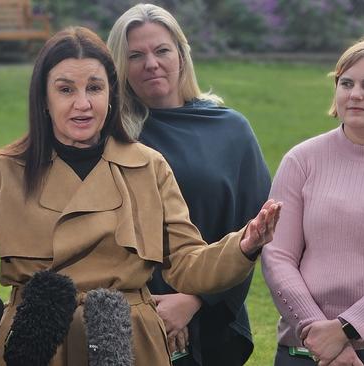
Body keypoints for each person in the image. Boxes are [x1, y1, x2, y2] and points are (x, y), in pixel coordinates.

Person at [0, 26, 281, 366]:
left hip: (129, 345)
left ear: (112, 94)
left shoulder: (149, 166)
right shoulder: (4, 169)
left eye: (95, 88)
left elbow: (188, 263)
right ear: (44, 98)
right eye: (66, 89)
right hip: (36, 346)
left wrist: (242, 246)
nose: (83, 103)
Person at [107, 4, 271, 365]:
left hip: (213, 315)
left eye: (162, 50)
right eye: (135, 55)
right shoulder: (112, 136)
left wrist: (194, 300)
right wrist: (149, 307)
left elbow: (255, 231)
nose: (151, 63)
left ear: (181, 55)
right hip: (126, 318)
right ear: (120, 65)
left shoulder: (230, 130)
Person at [262, 34, 364, 366]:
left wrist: (346, 329)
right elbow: (277, 256)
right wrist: (318, 332)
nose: (355, 94)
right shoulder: (301, 160)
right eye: (346, 83)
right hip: (306, 348)